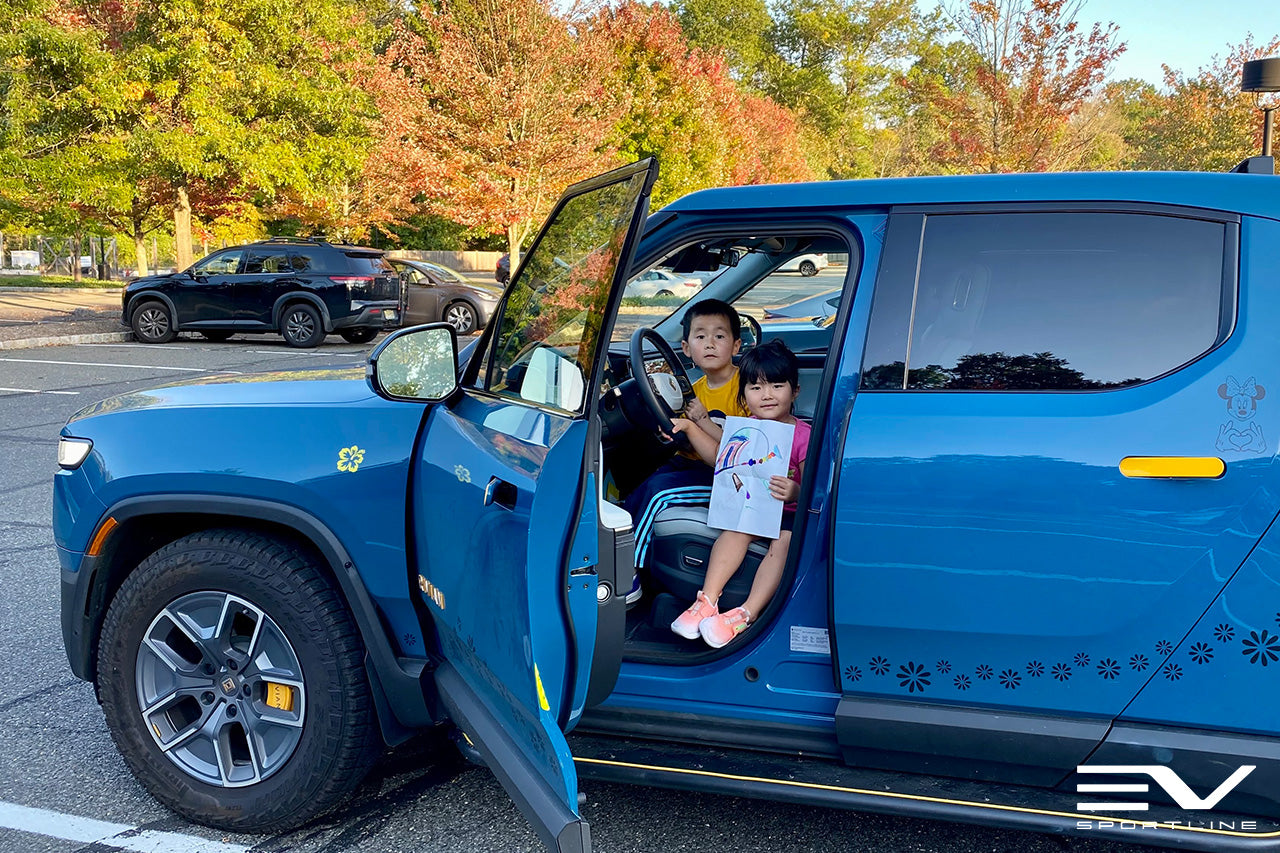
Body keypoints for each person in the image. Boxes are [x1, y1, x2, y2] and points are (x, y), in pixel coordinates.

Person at [666, 340, 810, 648]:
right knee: (734, 531)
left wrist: (796, 490)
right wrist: (691, 428)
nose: (767, 395)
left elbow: (815, 483)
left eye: (777, 386)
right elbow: (720, 457)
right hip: (754, 508)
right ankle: (707, 601)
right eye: (756, 388)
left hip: (790, 515)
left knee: (783, 542)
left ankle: (746, 613)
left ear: (795, 391)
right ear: (743, 395)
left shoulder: (802, 436)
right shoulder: (747, 429)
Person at [624, 299, 750, 587]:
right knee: (637, 486)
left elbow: (743, 449)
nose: (710, 344)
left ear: (736, 346)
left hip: (722, 477)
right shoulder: (692, 390)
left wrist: (700, 423)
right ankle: (616, 551)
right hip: (686, 463)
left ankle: (628, 570)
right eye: (700, 336)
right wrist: (669, 434)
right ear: (686, 348)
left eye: (719, 336)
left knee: (658, 493)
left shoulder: (746, 387)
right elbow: (683, 435)